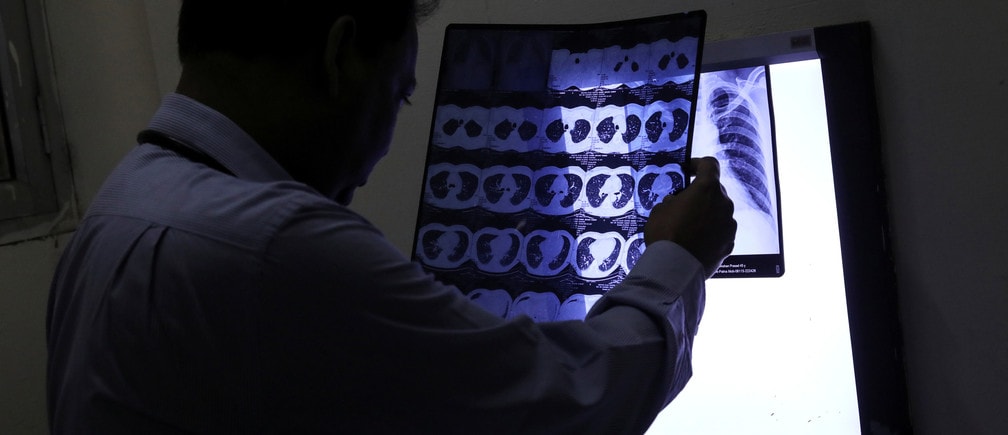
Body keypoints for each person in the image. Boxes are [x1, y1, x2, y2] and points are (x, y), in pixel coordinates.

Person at [46, 1, 736, 433]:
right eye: (400, 95)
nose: (379, 155)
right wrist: (677, 256)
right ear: (340, 54)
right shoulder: (274, 245)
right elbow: (574, 404)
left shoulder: (118, 208)